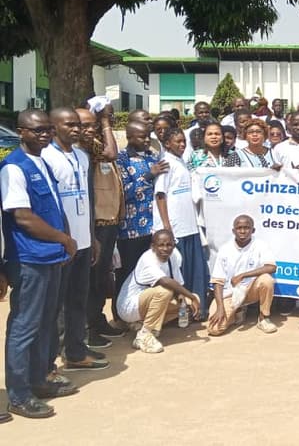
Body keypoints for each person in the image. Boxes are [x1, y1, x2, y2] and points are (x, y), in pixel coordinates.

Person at [1, 109, 79, 418]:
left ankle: (39, 380)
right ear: (21, 132)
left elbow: (53, 207)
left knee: (46, 323)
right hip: (29, 259)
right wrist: (63, 239)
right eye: (37, 130)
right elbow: (23, 217)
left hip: (51, 258)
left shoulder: (43, 161)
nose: (44, 135)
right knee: (25, 326)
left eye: (47, 129)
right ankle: (19, 395)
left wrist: (64, 239)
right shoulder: (13, 168)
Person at [42, 108, 109, 372]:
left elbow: (88, 199)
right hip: (60, 245)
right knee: (55, 305)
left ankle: (76, 352)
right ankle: (51, 359)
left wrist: (91, 237)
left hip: (83, 242)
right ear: (53, 126)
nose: (76, 129)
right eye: (69, 124)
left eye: (78, 125)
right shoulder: (46, 158)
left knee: (77, 300)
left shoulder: (82, 156)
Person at [76, 106, 125, 346]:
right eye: (86, 124)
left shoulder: (90, 144)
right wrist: (104, 122)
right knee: (90, 279)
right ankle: (86, 328)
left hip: (110, 219)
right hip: (95, 222)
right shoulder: (85, 147)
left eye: (92, 125)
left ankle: (96, 320)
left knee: (100, 277)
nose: (89, 129)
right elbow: (111, 152)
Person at [115, 121, 169, 321]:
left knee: (149, 273)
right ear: (129, 137)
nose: (147, 140)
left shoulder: (152, 157)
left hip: (151, 228)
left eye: (148, 136)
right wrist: (148, 175)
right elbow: (123, 193)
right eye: (141, 136)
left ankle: (145, 315)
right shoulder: (121, 160)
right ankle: (121, 316)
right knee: (127, 274)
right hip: (129, 230)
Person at [154, 128, 210, 319]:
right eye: (177, 141)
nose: (182, 144)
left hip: (190, 226)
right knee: (181, 271)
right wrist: (166, 225)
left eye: (183, 141)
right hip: (176, 227)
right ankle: (181, 312)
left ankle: (198, 309)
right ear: (167, 144)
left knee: (195, 270)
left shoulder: (181, 162)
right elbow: (160, 195)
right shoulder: (166, 163)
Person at [116, 230, 201, 353]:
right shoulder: (147, 259)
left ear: (173, 245)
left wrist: (185, 300)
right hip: (129, 306)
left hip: (146, 303)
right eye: (161, 245)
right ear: (153, 246)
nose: (165, 249)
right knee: (165, 292)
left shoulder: (174, 256)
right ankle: (145, 335)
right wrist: (191, 296)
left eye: (169, 245)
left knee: (187, 304)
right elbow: (166, 282)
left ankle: (139, 324)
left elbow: (178, 283)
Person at [207, 215, 277, 335]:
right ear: (233, 230)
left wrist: (243, 275)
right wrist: (220, 308)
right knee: (214, 329)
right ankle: (237, 311)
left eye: (247, 228)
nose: (243, 231)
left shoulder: (260, 245)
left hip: (251, 290)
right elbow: (217, 282)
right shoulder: (225, 249)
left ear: (253, 230)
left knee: (267, 280)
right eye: (239, 228)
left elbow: (271, 267)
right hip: (230, 293)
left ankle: (264, 318)